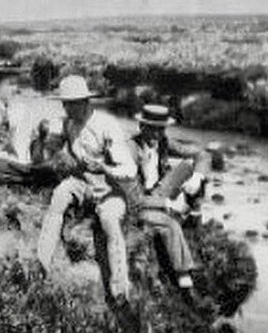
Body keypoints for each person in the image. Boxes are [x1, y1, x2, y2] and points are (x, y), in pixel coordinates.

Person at [36, 75, 137, 300]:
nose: (67, 108)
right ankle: (41, 263)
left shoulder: (106, 125)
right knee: (59, 197)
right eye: (65, 103)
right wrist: (44, 138)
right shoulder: (67, 123)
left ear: (85, 102)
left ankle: (120, 285)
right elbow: (48, 153)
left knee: (109, 220)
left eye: (72, 103)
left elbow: (129, 170)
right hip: (81, 181)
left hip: (108, 186)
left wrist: (104, 167)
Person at [129, 104, 210, 292]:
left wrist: (198, 177)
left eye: (161, 128)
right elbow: (133, 197)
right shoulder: (131, 150)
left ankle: (194, 215)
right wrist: (167, 203)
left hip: (159, 190)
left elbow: (202, 154)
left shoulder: (164, 142)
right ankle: (182, 272)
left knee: (190, 167)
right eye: (152, 128)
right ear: (142, 127)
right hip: (140, 200)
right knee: (169, 224)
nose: (158, 133)